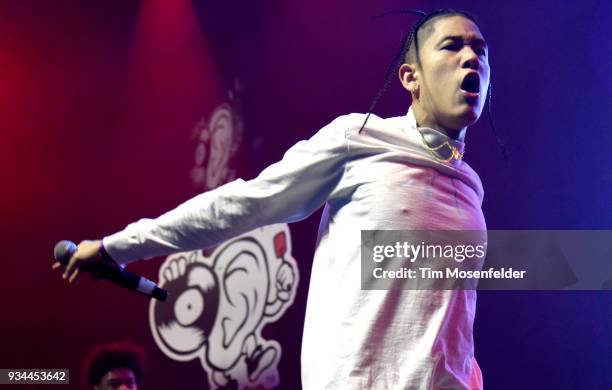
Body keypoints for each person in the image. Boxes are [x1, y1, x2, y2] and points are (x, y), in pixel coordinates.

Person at [55, 9, 490, 390]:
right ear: (410, 77)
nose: (471, 58)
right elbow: (243, 204)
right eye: (451, 47)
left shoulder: (471, 187)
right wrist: (119, 246)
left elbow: (450, 322)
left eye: (480, 51)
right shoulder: (361, 138)